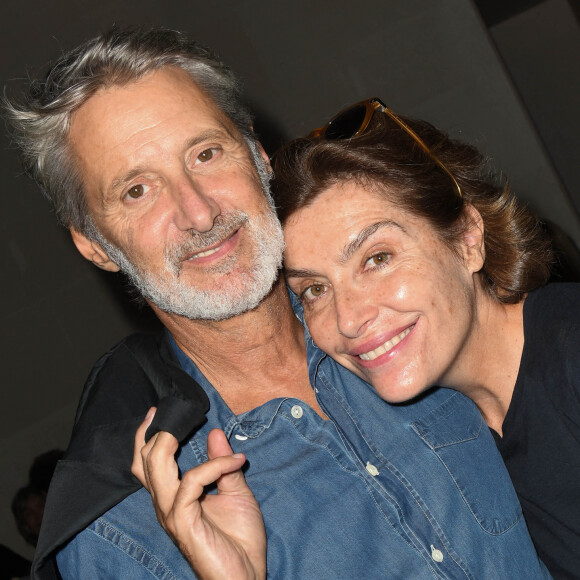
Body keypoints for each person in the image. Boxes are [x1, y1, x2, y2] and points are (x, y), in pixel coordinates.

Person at [5, 28, 550, 579]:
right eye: (137, 190)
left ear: (258, 155)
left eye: (207, 153)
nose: (198, 212)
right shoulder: (122, 534)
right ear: (94, 244)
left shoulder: (417, 329)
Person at [271, 98, 580, 579]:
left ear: (467, 238)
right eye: (314, 289)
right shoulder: (457, 435)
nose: (348, 319)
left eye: (376, 258)